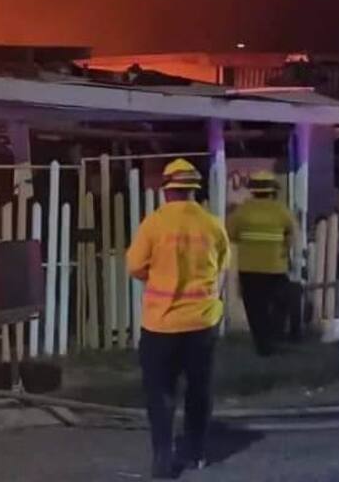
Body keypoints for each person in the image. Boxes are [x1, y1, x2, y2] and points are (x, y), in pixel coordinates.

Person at [126, 158, 231, 478]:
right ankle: (196, 451)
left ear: (167, 190)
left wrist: (158, 277)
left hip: (161, 324)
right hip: (201, 323)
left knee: (161, 392)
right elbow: (222, 266)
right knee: (199, 388)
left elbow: (134, 266)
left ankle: (162, 456)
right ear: (193, 190)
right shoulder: (212, 224)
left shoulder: (154, 224)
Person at [224, 170, 297, 356]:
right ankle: (276, 337)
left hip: (249, 269)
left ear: (253, 191)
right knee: (280, 303)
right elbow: (292, 234)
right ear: (273, 191)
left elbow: (229, 234)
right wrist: (285, 250)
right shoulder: (281, 211)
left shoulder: (243, 211)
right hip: (275, 268)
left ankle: (263, 347)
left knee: (256, 310)